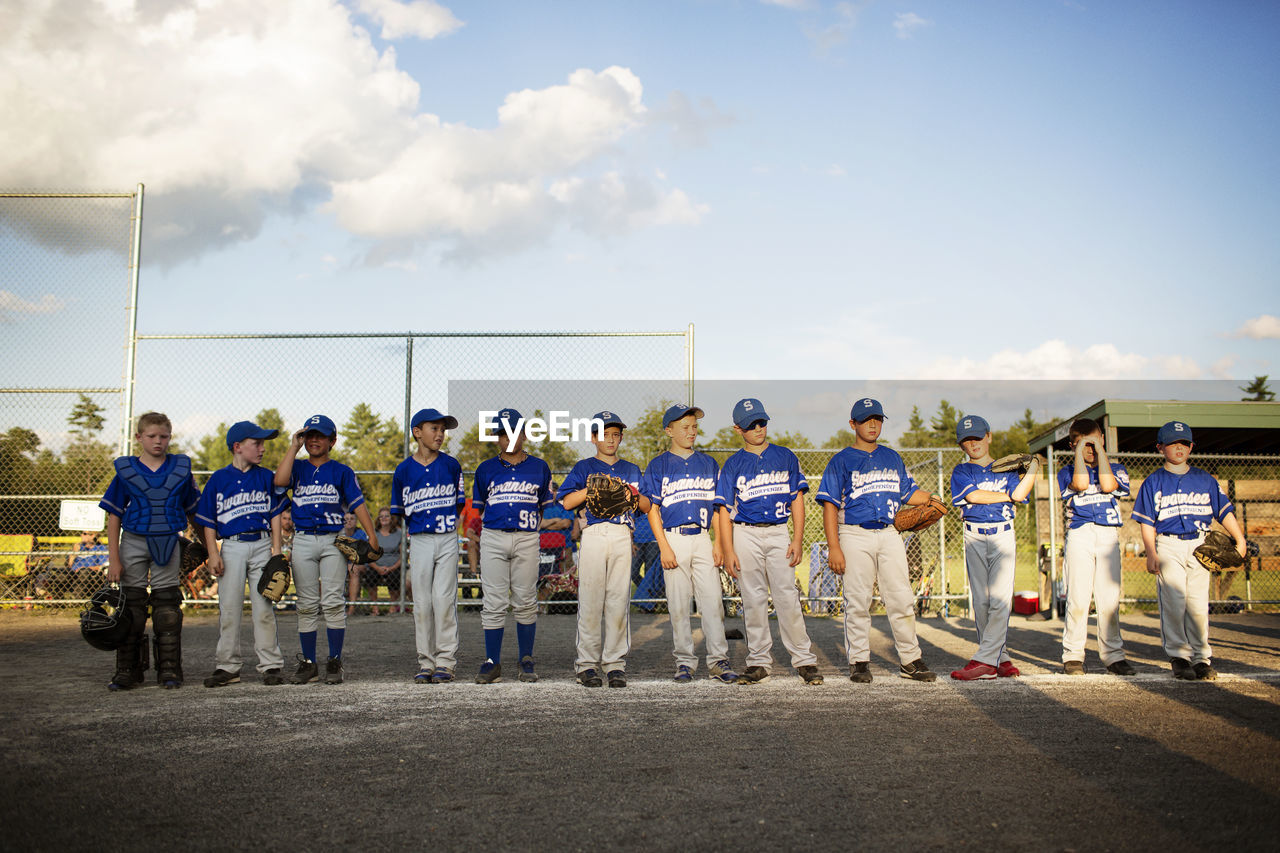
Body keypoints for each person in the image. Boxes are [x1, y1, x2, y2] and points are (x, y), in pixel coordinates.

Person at [816, 398, 939, 684]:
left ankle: (910, 660)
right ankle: (859, 660)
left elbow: (908, 492)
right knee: (858, 601)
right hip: (854, 533)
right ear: (853, 424)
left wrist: (933, 499)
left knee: (901, 598)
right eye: (866, 420)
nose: (873, 424)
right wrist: (833, 546)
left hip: (889, 533)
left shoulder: (892, 457)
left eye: (877, 419)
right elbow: (830, 506)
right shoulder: (841, 460)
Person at [714, 398, 822, 686]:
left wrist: (797, 539)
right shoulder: (734, 464)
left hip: (778, 531)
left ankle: (804, 659)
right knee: (753, 599)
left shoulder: (786, 456)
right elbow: (724, 510)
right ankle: (759, 661)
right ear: (738, 429)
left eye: (761, 422)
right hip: (745, 533)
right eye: (751, 425)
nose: (759, 429)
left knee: (787, 596)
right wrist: (727, 550)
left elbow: (797, 499)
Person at [1132, 421, 1247, 681]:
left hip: (1200, 544)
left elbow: (1224, 511)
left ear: (1192, 446)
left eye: (1184, 443)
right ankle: (1179, 656)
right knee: (1173, 602)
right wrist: (1151, 552)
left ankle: (1201, 658)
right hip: (1168, 544)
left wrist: (1239, 539)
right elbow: (1147, 522)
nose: (1179, 448)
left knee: (1197, 603)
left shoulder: (1204, 479)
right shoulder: (1153, 482)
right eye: (1173, 443)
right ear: (1160, 447)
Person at [97, 412, 202, 690]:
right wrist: (114, 559)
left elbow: (194, 512)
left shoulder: (180, 470)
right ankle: (128, 670)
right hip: (133, 540)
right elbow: (114, 516)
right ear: (139, 437)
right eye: (152, 436)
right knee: (131, 608)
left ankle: (169, 670)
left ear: (170, 437)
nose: (158, 441)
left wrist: (208, 547)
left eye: (164, 436)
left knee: (167, 607)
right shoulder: (126, 471)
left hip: (168, 539)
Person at [274, 414, 379, 685]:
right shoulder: (297, 467)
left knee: (333, 601)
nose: (314, 440)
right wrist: (293, 447)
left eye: (320, 436)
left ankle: (334, 660)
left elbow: (358, 504)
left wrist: (371, 534)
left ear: (332, 441)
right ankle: (309, 663)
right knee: (307, 604)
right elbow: (279, 480)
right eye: (310, 435)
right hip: (304, 539)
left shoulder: (341, 471)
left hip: (333, 539)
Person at [640, 404, 737, 684]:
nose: (691, 431)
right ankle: (684, 661)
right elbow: (653, 510)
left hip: (702, 538)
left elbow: (719, 509)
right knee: (679, 604)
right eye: (685, 427)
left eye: (694, 426)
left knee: (712, 602)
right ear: (669, 430)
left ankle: (719, 660)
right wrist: (664, 546)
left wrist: (718, 543)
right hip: (673, 537)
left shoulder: (708, 463)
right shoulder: (658, 465)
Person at [558, 411, 651, 688]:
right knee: (590, 600)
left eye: (615, 434)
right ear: (593, 437)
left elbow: (646, 506)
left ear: (621, 437)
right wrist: (591, 489)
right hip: (595, 534)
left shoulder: (631, 469)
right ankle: (587, 664)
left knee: (618, 600)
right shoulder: (584, 466)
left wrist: (629, 492)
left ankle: (614, 664)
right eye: (604, 434)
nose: (610, 439)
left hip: (622, 533)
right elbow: (565, 502)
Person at [195, 421, 288, 687]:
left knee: (264, 607)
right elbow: (209, 521)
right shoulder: (218, 479)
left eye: (263, 444)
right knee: (229, 608)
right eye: (256, 443)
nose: (262, 448)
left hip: (261, 544)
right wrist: (213, 553)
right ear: (237, 447)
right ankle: (227, 666)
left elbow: (275, 514)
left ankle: (270, 664)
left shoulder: (265, 476)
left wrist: (276, 551)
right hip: (232, 546)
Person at [948, 415, 1039, 680]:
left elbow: (1022, 495)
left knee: (1000, 600)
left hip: (1002, 535)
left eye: (977, 436)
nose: (973, 443)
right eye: (966, 440)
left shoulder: (1008, 471)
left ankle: (986, 661)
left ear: (989, 436)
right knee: (982, 602)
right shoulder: (961, 471)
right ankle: (1002, 657)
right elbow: (972, 496)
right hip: (974, 536)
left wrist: (1033, 469)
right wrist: (1007, 495)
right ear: (961, 445)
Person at [472, 408, 552, 684]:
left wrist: (532, 528)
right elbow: (478, 509)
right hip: (493, 536)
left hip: (527, 537)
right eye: (504, 433)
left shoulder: (539, 467)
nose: (509, 438)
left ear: (526, 434)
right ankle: (492, 661)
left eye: (515, 432)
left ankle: (526, 659)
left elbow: (544, 507)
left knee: (526, 599)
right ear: (497, 438)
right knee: (493, 602)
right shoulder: (485, 469)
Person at [390, 408, 465, 684]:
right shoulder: (404, 470)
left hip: (446, 537)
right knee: (421, 604)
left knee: (443, 600)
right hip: (419, 538)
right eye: (434, 429)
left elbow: (459, 504)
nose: (440, 434)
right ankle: (426, 661)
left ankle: (445, 661)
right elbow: (399, 511)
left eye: (442, 430)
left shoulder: (451, 465)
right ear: (417, 432)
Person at [1057, 417, 1136, 676]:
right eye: (1083, 445)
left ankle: (1113, 655)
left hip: (1107, 535)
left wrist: (1099, 449)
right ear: (1072, 446)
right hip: (1080, 535)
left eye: (1093, 443)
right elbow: (1080, 485)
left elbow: (1108, 485)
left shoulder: (1116, 468)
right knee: (1078, 598)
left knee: (1109, 598)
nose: (1089, 450)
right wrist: (1080, 451)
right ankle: (1073, 655)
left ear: (1102, 440)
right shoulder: (1068, 471)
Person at [365, 507, 403, 615]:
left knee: (394, 577)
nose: (384, 518)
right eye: (381, 516)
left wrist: (392, 568)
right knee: (370, 575)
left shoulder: (399, 533)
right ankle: (375, 607)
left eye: (387, 516)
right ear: (378, 519)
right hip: (376, 566)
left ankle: (392, 606)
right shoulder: (374, 534)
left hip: (394, 566)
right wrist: (377, 568)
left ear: (391, 518)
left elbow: (402, 556)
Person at [631, 509, 663, 611]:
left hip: (653, 539)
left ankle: (648, 605)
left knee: (648, 573)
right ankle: (650, 599)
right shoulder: (636, 495)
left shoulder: (656, 495)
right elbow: (630, 520)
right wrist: (631, 540)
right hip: (637, 540)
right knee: (633, 572)